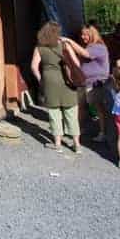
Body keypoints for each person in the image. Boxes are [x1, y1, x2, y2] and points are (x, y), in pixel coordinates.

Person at [30, 22, 80, 154]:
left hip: (49, 81)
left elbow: (34, 67)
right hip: (67, 80)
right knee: (71, 112)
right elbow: (76, 63)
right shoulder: (64, 44)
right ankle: (77, 145)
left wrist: (41, 80)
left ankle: (57, 144)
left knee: (54, 113)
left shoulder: (39, 47)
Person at [63, 25, 111, 142]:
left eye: (85, 34)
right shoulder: (89, 47)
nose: (82, 37)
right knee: (81, 106)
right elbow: (78, 60)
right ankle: (77, 129)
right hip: (84, 81)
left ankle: (103, 133)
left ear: (92, 34)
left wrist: (69, 41)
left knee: (98, 108)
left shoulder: (98, 47)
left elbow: (85, 54)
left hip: (95, 83)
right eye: (82, 34)